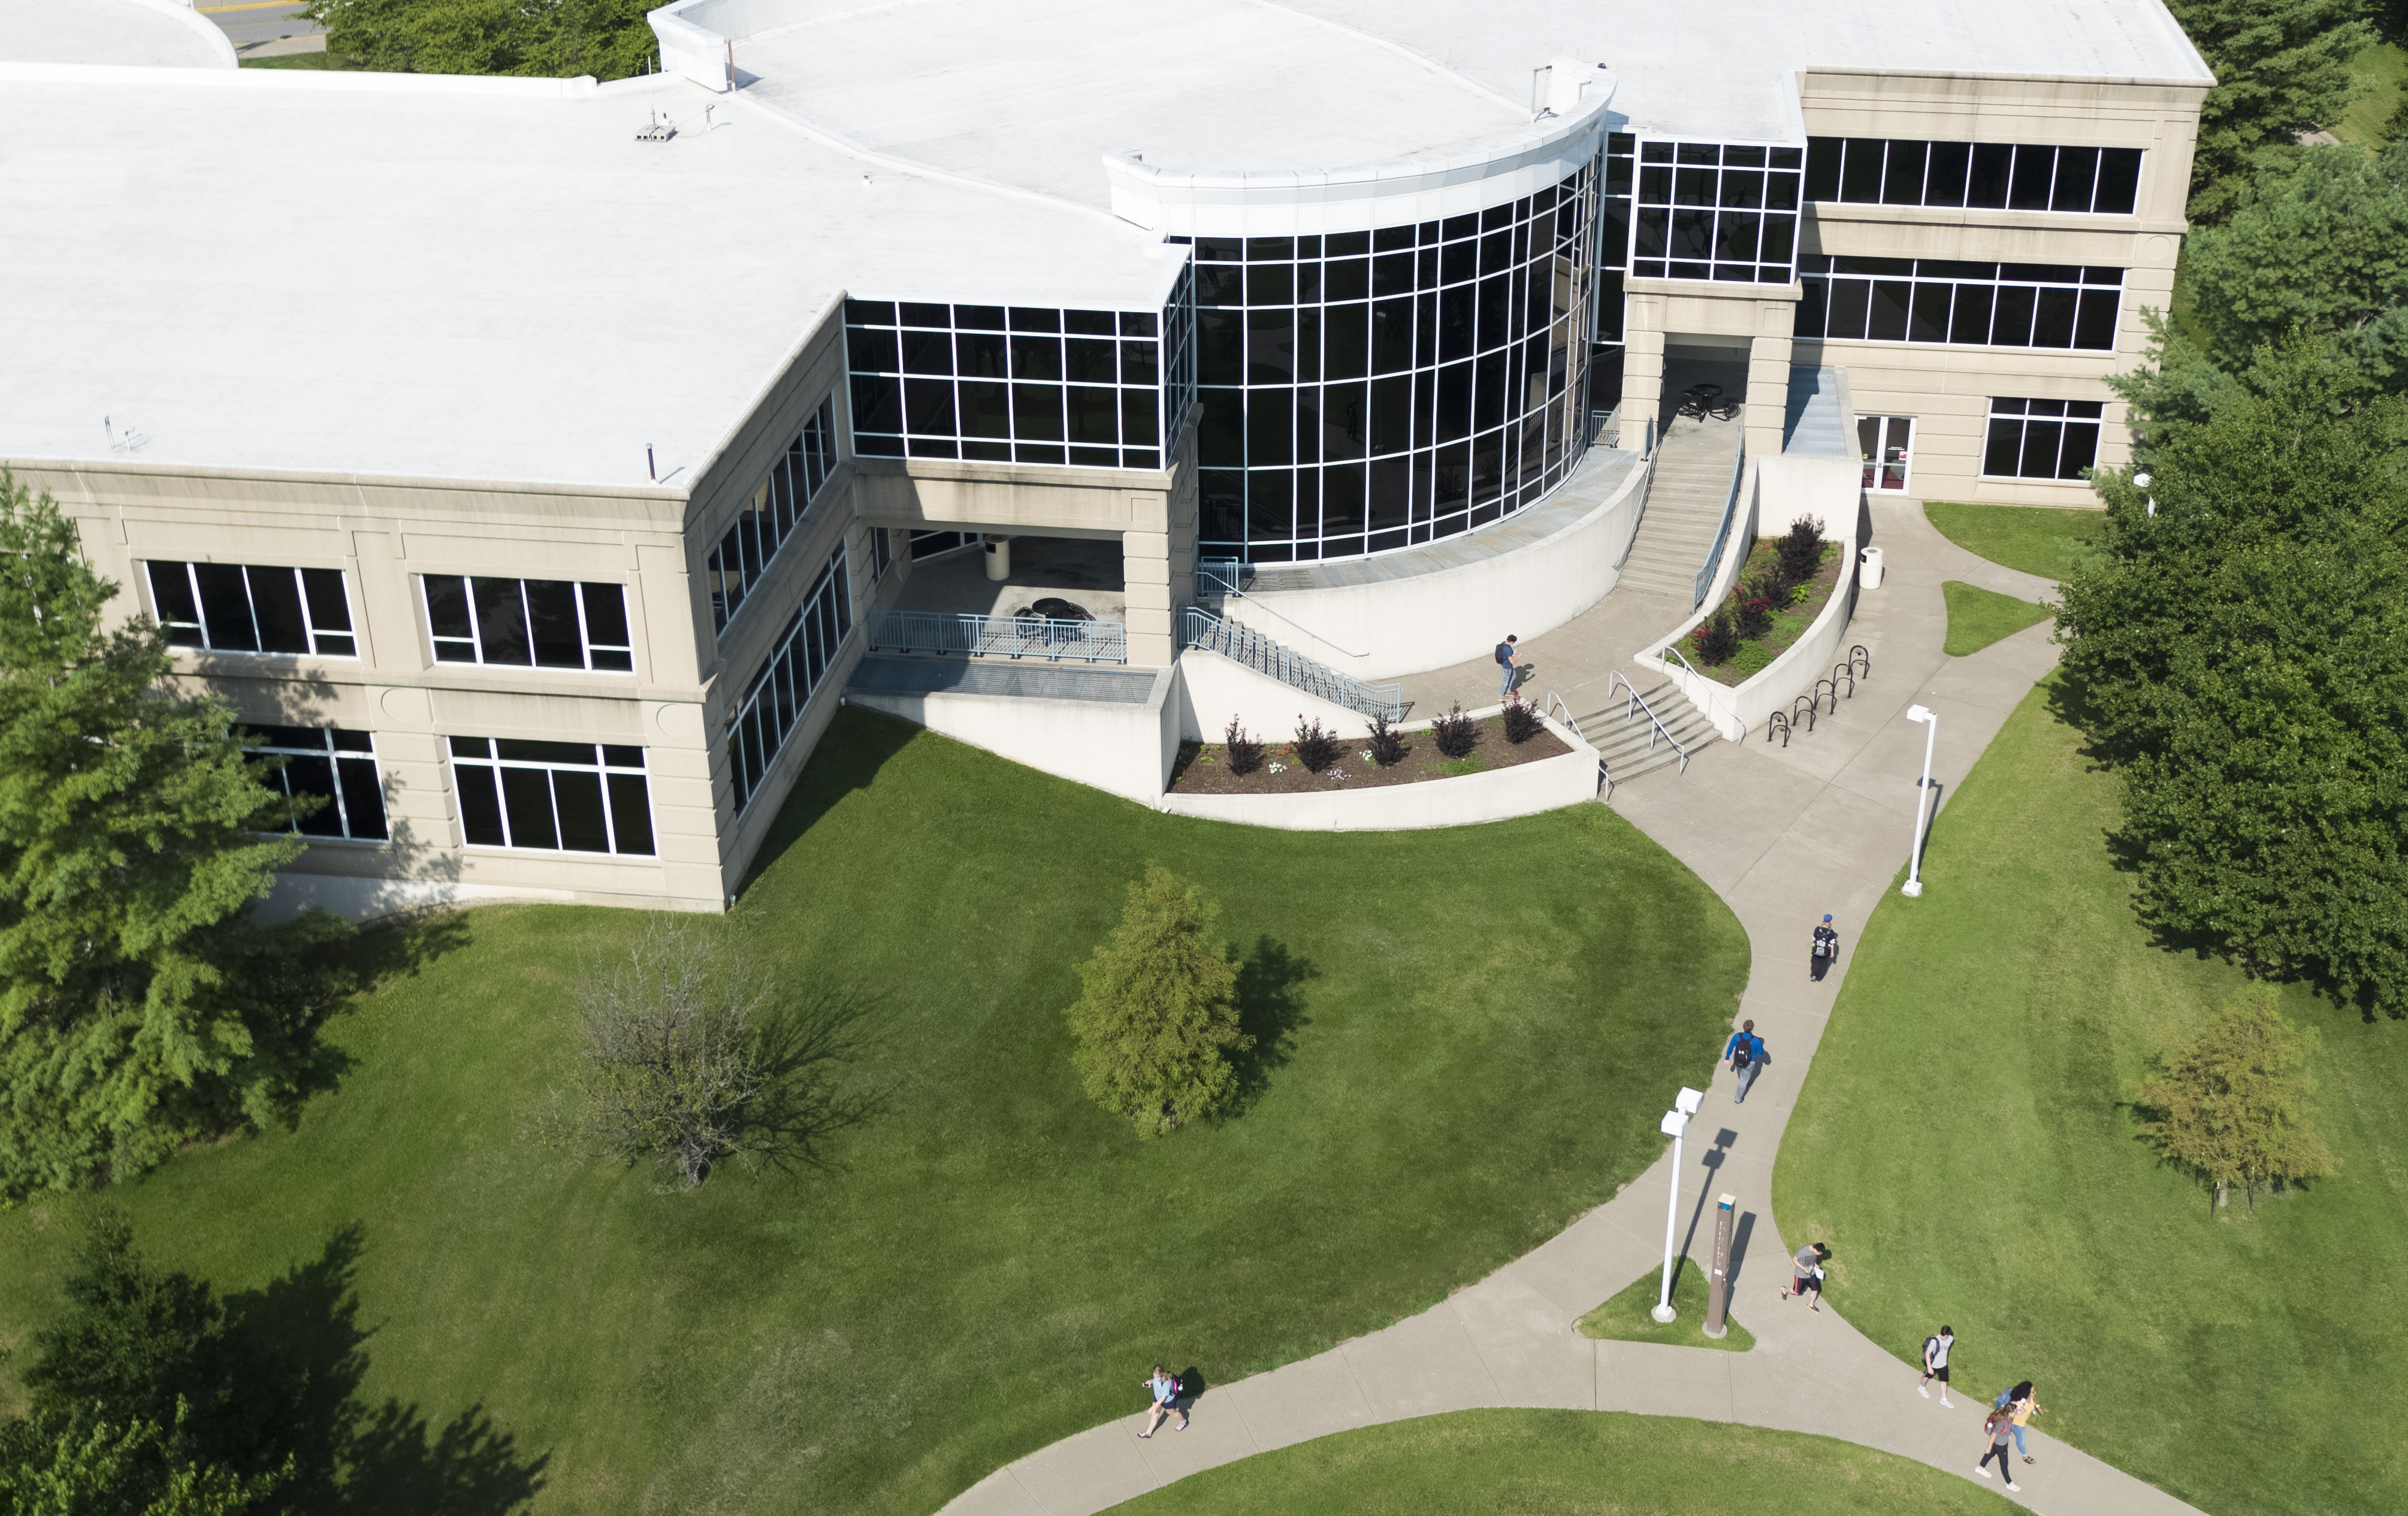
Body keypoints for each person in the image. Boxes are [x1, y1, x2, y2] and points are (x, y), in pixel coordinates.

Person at [1975, 1405, 2022, 1491]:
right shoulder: (2002, 1423)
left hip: (2001, 1443)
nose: (2016, 1413)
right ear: (2009, 1413)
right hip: (2000, 1446)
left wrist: (2017, 1405)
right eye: (2014, 1412)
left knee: (1990, 1454)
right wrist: (1989, 1448)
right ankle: (2009, 1483)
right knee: (2004, 1464)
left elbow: (2023, 1412)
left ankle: (1981, 1468)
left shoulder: (2009, 1417)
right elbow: (1993, 1435)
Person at [1723, 1019, 1766, 1104]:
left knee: (1741, 1076)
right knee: (1744, 1081)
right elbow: (1761, 1052)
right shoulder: (1756, 1041)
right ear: (1752, 1028)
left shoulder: (1737, 1036)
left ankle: (1740, 1087)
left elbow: (1731, 1047)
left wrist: (1727, 1058)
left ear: (1744, 1027)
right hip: (1750, 1063)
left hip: (1738, 1061)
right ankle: (1738, 1099)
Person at [2000, 1381, 2044, 1462]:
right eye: (2033, 1392)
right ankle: (2025, 1456)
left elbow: (2032, 1400)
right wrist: (2019, 1408)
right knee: (2021, 1440)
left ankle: (2008, 1432)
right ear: (2027, 1393)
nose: (2035, 1393)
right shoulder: (2019, 1403)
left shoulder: (2028, 1398)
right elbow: (2012, 1410)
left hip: (2020, 1423)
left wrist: (2038, 1406)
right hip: (2018, 1425)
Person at [1139, 1364, 1187, 1437]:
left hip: (1168, 1401)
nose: (1154, 1374)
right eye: (1154, 1372)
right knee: (1155, 1414)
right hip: (1157, 1398)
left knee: (1172, 1413)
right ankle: (1148, 1433)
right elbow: (1156, 1380)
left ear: (1161, 1374)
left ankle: (1183, 1421)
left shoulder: (1166, 1382)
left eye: (1156, 1373)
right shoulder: (1157, 1377)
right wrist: (1151, 1381)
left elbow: (1163, 1398)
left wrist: (1153, 1407)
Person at [1780, 1240, 1828, 1309]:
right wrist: (1804, 1269)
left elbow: (1813, 1259)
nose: (1819, 1255)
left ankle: (1811, 1305)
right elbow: (1794, 1260)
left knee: (1815, 1290)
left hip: (1811, 1273)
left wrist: (1815, 1264)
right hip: (1801, 1275)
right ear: (1816, 1250)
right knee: (1797, 1292)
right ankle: (1784, 1290)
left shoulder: (1814, 1251)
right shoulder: (1804, 1251)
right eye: (1819, 1253)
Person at [1917, 1325, 1955, 1406]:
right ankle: (1921, 1387)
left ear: (1948, 1335)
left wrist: (1946, 1360)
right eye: (1942, 1335)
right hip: (1933, 1365)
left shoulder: (1950, 1339)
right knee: (1926, 1377)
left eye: (1945, 1336)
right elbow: (1927, 1353)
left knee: (1944, 1382)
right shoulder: (1934, 1341)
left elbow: (1946, 1350)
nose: (1943, 1337)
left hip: (1943, 1365)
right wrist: (1929, 1367)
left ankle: (1944, 1399)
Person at [1810, 914, 1839, 982]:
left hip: (1816, 950)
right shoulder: (1831, 932)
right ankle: (1819, 977)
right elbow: (1832, 943)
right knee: (1823, 964)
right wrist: (1832, 952)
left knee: (1815, 962)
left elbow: (1813, 938)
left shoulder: (1818, 929)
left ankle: (1814, 975)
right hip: (1826, 952)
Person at [1495, 634, 1521, 699]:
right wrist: (1519, 657)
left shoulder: (1503, 643)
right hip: (1507, 667)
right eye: (1514, 642)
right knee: (1505, 680)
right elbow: (1512, 661)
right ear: (1512, 641)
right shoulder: (1508, 649)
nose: (1514, 643)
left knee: (1513, 676)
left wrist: (1512, 653)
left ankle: (1508, 691)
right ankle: (1501, 696)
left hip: (1505, 664)